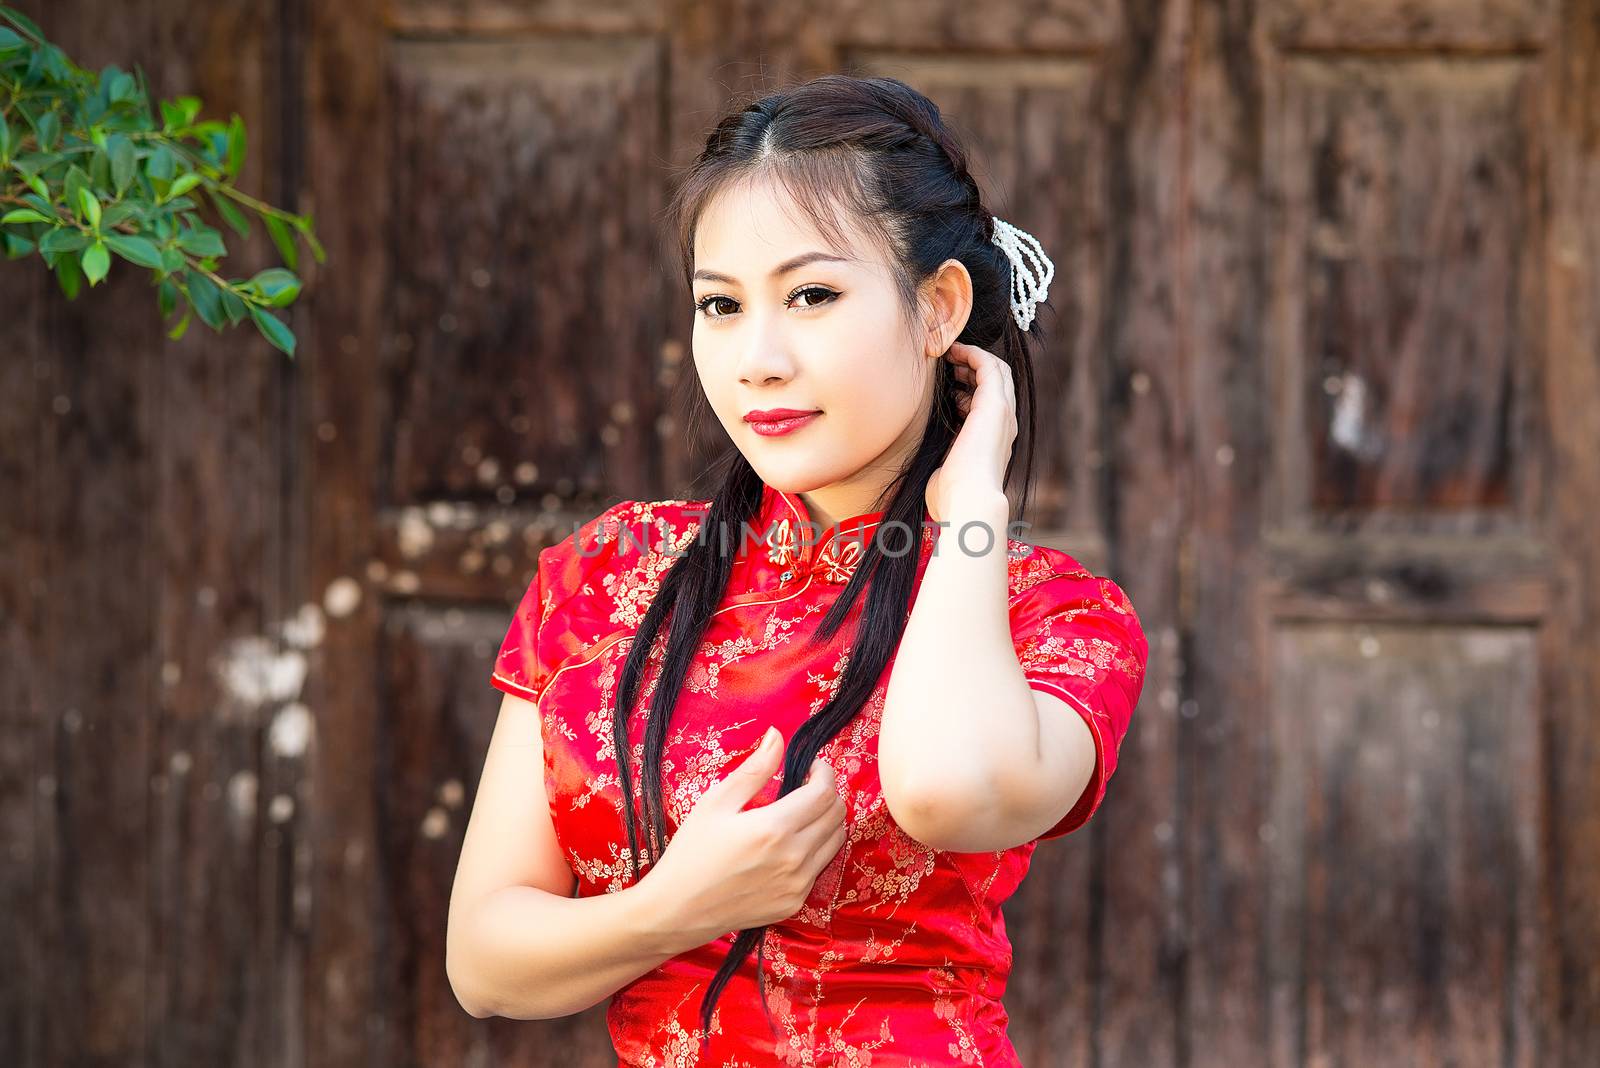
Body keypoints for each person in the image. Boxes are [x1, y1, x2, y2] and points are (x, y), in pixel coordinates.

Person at [446, 73, 1149, 1066]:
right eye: (720, 306)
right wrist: (675, 909)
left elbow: (949, 790)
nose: (757, 359)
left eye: (811, 294)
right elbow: (483, 963)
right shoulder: (607, 573)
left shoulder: (1056, 616)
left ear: (937, 307)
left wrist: (972, 516)